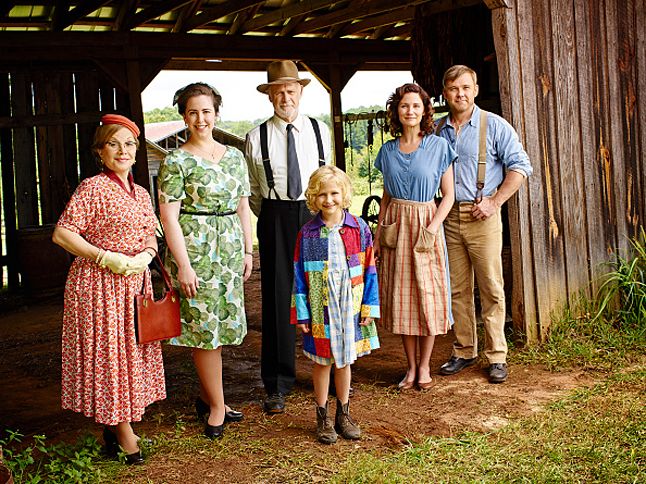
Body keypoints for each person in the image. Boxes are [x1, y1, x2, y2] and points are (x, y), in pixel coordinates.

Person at [52, 114, 166, 465]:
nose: (122, 150)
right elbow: (63, 233)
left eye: (129, 144)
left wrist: (147, 253)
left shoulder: (141, 192)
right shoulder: (92, 188)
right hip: (100, 286)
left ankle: (115, 427)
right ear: (100, 151)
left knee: (129, 356)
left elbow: (151, 233)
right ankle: (124, 434)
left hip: (134, 284)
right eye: (113, 144)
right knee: (111, 358)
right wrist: (104, 256)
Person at [158, 83, 253, 439]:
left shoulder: (234, 157)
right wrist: (183, 265)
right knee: (205, 331)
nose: (201, 118)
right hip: (196, 252)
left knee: (221, 327)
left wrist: (247, 249)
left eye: (206, 111)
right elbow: (168, 217)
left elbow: (243, 205)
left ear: (217, 113)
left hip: (228, 248)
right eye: (193, 112)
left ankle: (208, 396)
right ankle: (217, 407)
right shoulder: (176, 160)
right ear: (184, 116)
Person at [435, 65, 533, 383]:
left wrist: (494, 201)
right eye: (453, 88)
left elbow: (521, 166)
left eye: (465, 87)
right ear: (445, 92)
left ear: (475, 89)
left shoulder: (494, 125)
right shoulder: (437, 130)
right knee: (458, 288)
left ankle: (497, 356)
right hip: (449, 216)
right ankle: (464, 350)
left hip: (483, 217)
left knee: (491, 286)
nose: (460, 94)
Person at [245, 60, 331, 414]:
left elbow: (331, 176)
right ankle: (278, 384)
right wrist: (271, 216)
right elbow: (252, 191)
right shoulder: (256, 136)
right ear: (270, 96)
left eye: (291, 90)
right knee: (278, 299)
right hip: (275, 215)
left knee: (320, 294)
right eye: (278, 91)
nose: (285, 96)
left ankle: (327, 374)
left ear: (300, 92)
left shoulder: (320, 130)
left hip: (314, 214)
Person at [374, 83, 456, 391]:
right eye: (404, 106)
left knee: (428, 298)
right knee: (402, 299)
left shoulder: (438, 147)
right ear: (397, 111)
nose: (410, 111)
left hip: (426, 224)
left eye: (416, 106)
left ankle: (425, 367)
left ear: (424, 112)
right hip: (396, 225)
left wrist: (433, 228)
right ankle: (409, 367)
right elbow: (385, 196)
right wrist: (380, 232)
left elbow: (448, 196)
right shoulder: (387, 151)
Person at [291, 166, 380, 444]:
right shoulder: (307, 234)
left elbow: (370, 270)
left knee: (344, 362)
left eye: (334, 193)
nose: (328, 200)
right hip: (320, 308)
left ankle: (344, 413)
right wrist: (302, 313)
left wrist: (369, 305)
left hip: (349, 306)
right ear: (313, 198)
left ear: (344, 194)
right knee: (323, 361)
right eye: (321, 194)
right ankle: (322, 416)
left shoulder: (359, 228)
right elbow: (298, 275)